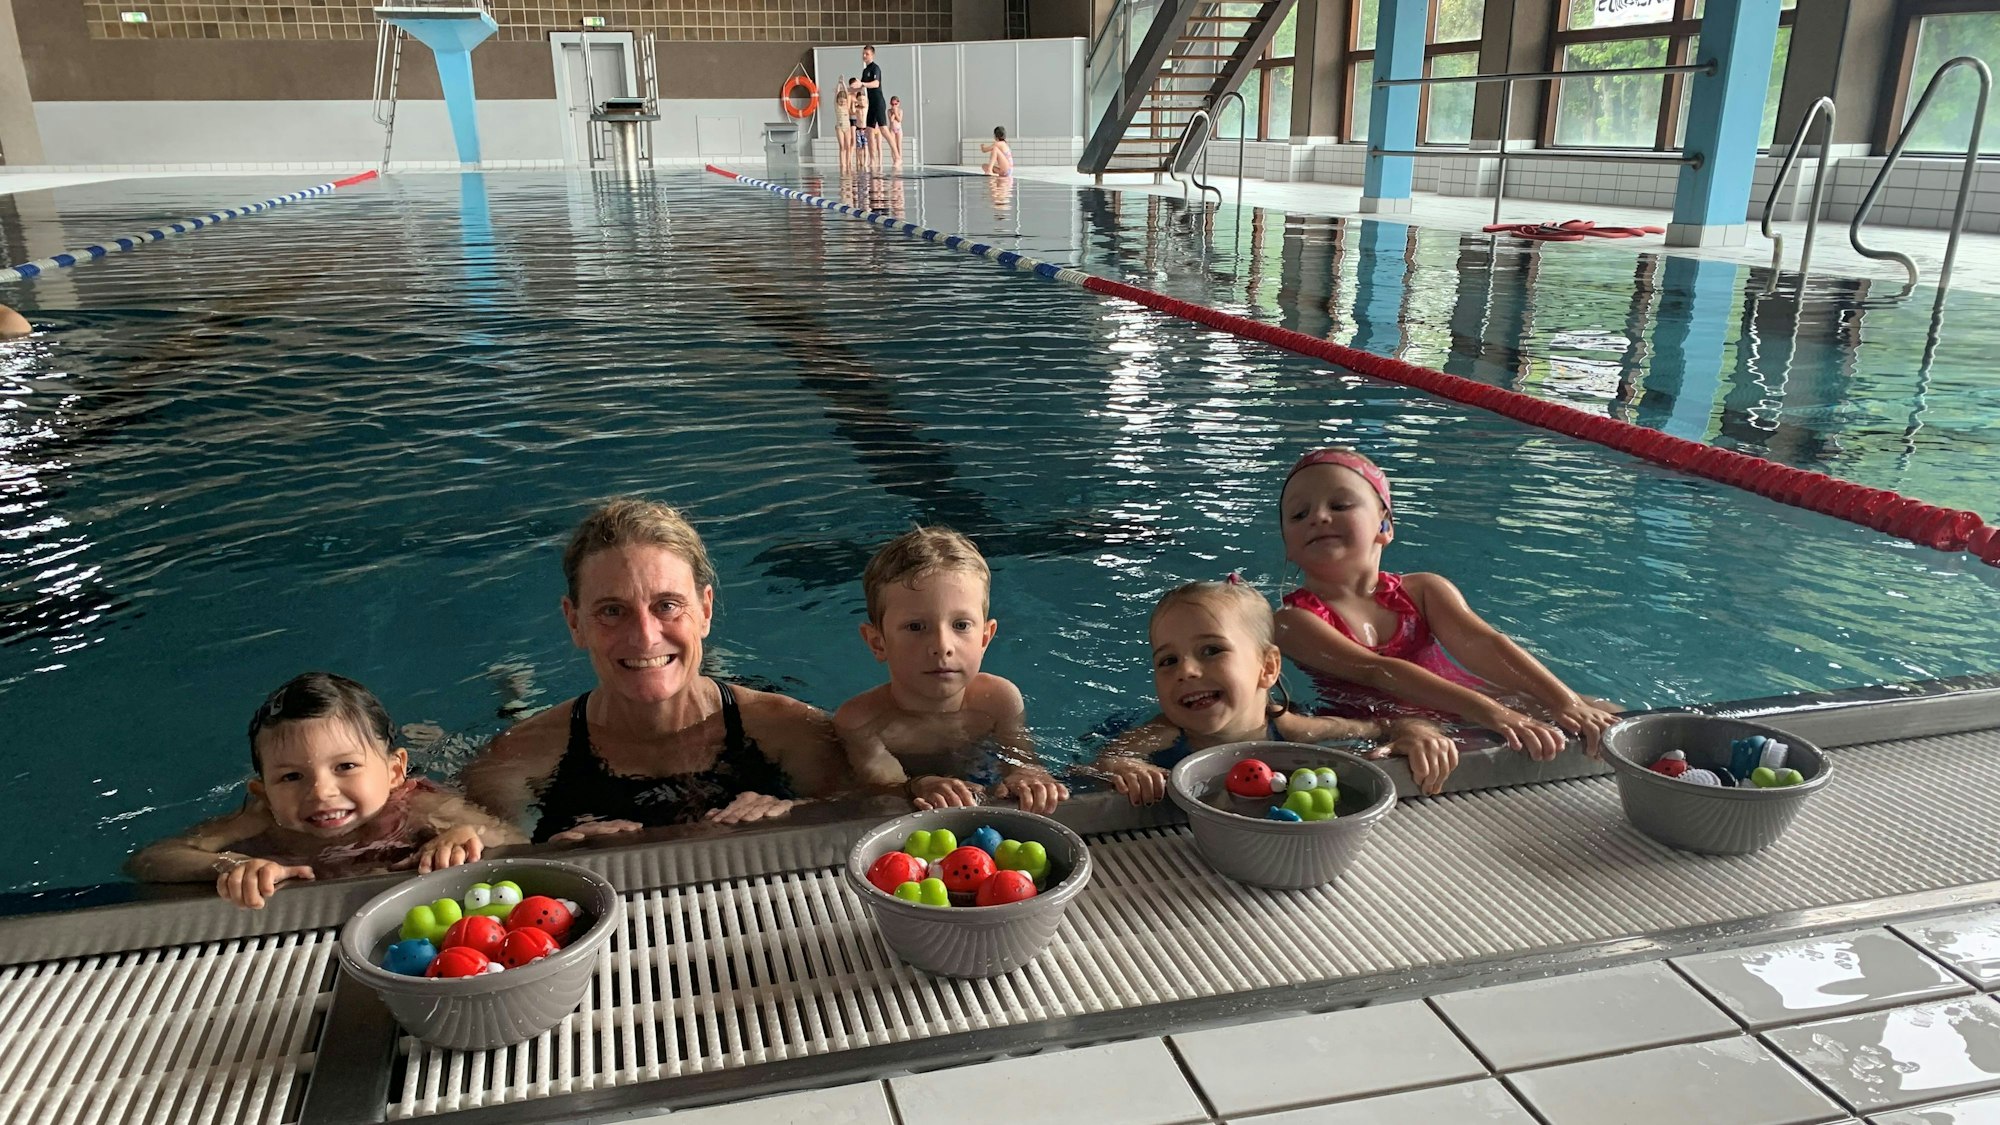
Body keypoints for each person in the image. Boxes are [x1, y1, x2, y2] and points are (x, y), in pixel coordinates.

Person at [461, 499, 850, 843]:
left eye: (667, 606)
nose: (645, 637)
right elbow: (483, 855)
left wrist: (799, 816)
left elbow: (867, 811)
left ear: (706, 610)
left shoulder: (792, 730)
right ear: (574, 622)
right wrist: (554, 856)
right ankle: (515, 697)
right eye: (612, 611)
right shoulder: (519, 756)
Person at [1271, 448, 1619, 757]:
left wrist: (1564, 700)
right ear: (1287, 544)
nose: (1318, 516)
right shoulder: (1292, 622)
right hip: (1391, 726)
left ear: (1385, 526)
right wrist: (1491, 714)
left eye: (1340, 505)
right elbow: (1378, 671)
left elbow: (1485, 644)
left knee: (1604, 717)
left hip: (1471, 701)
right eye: (1299, 515)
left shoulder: (1424, 591)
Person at [127, 672, 525, 909]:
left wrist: (464, 837)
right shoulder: (259, 816)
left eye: (345, 767)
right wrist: (227, 865)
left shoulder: (417, 805)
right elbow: (150, 860)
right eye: (291, 777)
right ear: (262, 792)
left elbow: (516, 841)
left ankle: (513, 700)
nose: (321, 791)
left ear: (393, 772)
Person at [1090, 580, 1457, 802]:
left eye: (1211, 650)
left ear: (1267, 668)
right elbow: (1103, 762)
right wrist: (1123, 767)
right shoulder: (1167, 732)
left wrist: (1419, 732)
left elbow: (1385, 726)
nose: (1186, 670)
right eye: (1167, 661)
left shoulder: (1291, 728)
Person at [834, 526, 1068, 815]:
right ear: (878, 642)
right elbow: (881, 787)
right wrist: (918, 785)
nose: (942, 646)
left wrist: (1026, 776)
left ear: (985, 637)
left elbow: (1022, 761)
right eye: (916, 627)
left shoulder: (998, 700)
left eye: (960, 625)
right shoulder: (861, 721)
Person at [859, 46, 888, 167]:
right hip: (872, 103)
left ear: (872, 55)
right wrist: (844, 89)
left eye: (867, 54)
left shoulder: (875, 68)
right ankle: (872, 159)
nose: (864, 56)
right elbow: (859, 86)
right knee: (869, 131)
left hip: (878, 101)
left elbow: (876, 84)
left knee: (884, 129)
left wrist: (862, 83)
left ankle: (897, 155)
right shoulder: (865, 71)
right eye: (863, 54)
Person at [833, 79, 854, 170]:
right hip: (840, 127)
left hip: (847, 127)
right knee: (842, 146)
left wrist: (843, 83)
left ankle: (849, 162)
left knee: (848, 146)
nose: (842, 103)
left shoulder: (846, 106)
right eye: (841, 101)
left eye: (844, 101)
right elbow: (836, 94)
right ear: (838, 101)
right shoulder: (837, 106)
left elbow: (846, 92)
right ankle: (843, 164)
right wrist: (838, 84)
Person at [886, 96, 905, 165]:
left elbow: (899, 120)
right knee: (893, 145)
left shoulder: (900, 111)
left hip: (899, 129)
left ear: (898, 103)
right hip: (892, 129)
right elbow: (891, 120)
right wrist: (893, 112)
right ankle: (894, 159)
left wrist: (896, 112)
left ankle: (900, 158)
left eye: (895, 104)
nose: (894, 105)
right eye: (892, 104)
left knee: (899, 144)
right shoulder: (889, 111)